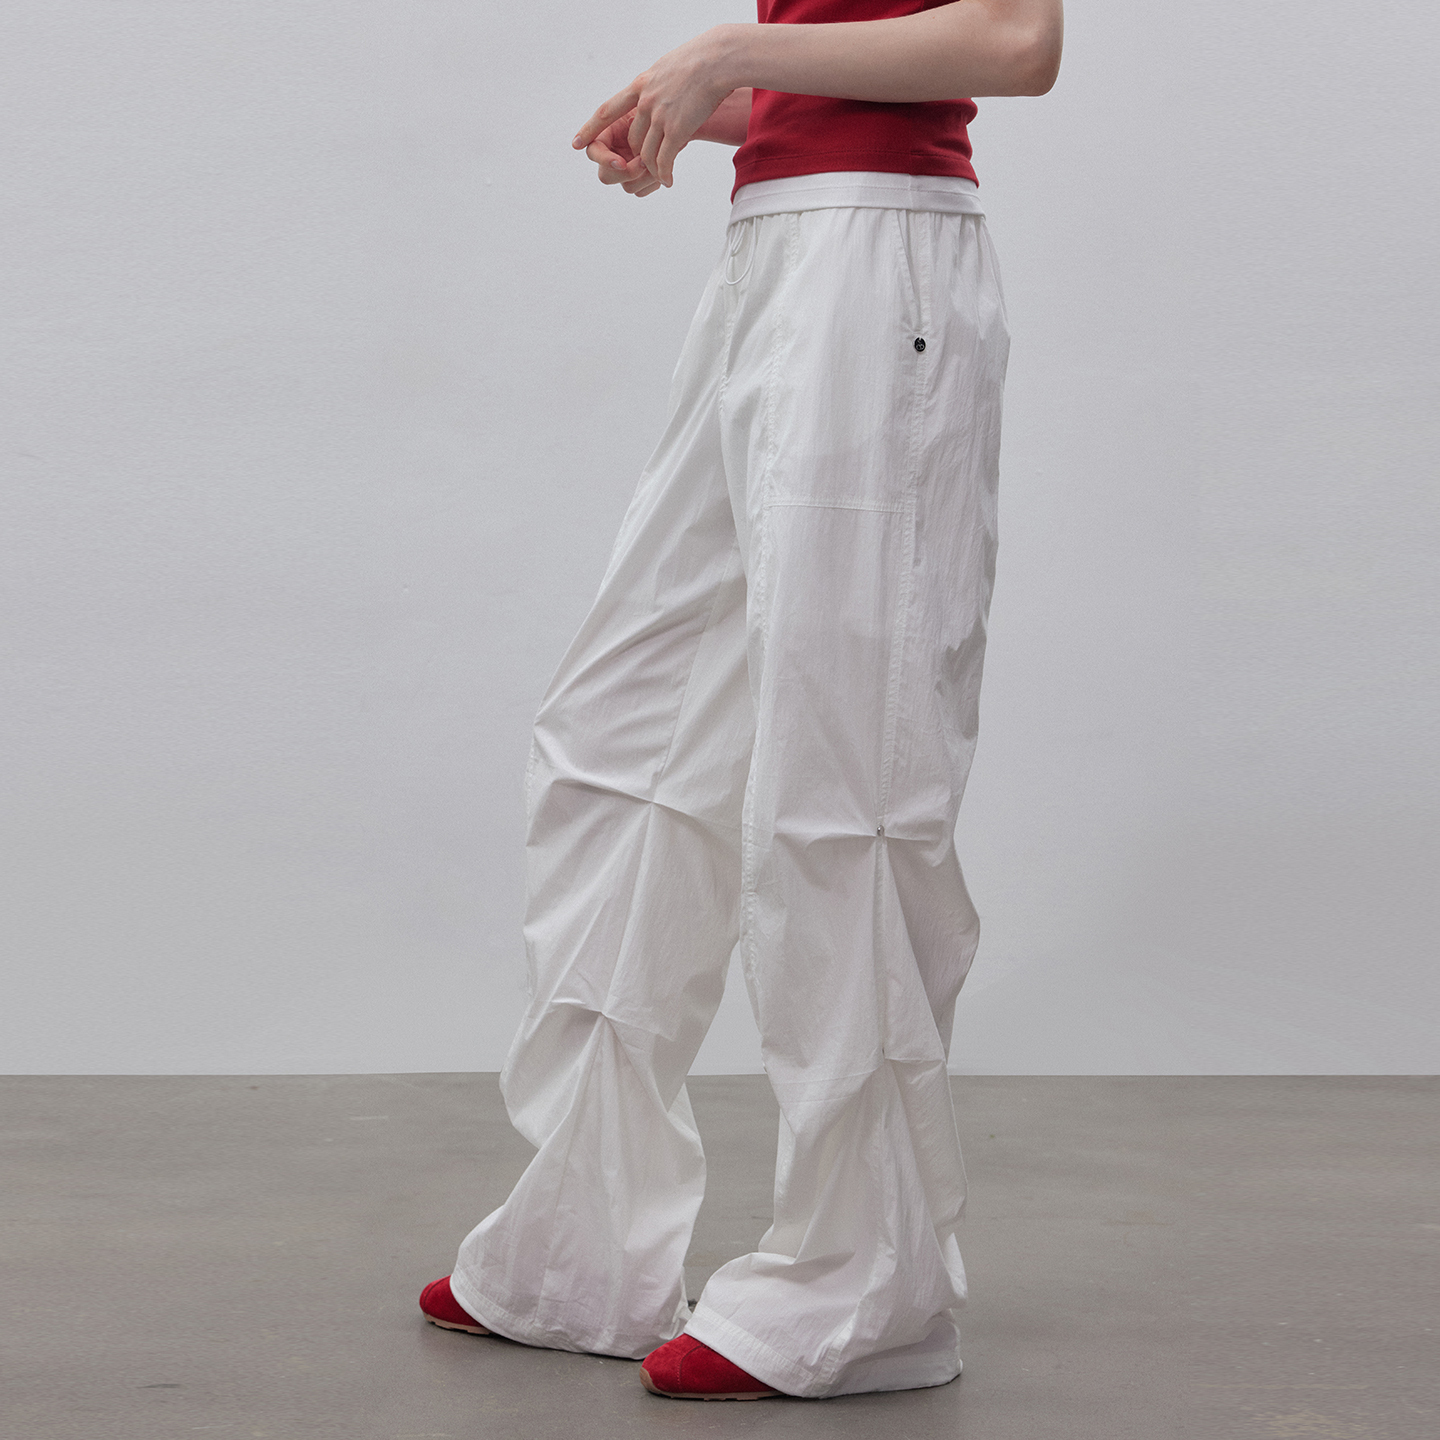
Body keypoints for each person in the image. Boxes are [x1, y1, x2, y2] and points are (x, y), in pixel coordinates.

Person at [419, 0, 1063, 1402]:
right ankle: (580, 1244)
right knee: (629, 738)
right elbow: (853, 61)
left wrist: (731, 54)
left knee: (847, 769)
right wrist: (702, 107)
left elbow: (1017, 42)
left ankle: (863, 1287)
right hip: (774, 253)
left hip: (880, 264)